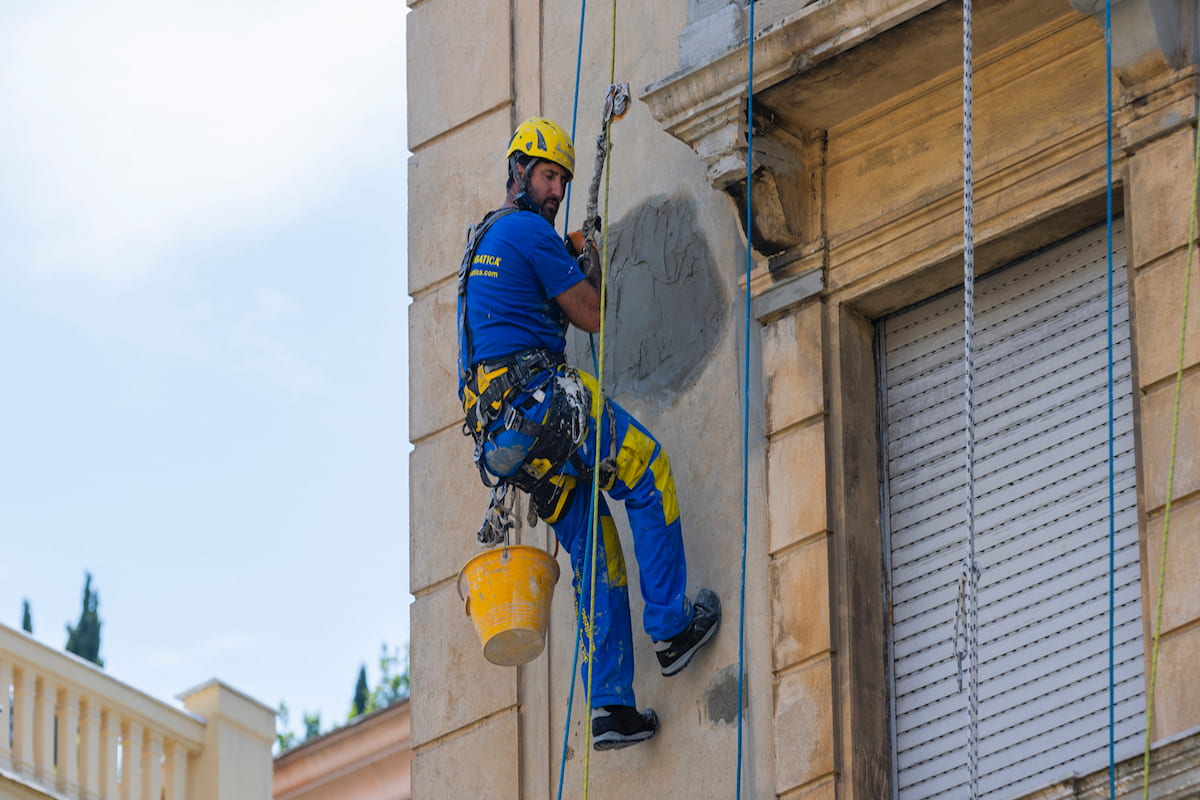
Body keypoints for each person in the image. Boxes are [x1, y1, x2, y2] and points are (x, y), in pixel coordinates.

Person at [456, 117, 721, 750]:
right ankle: (671, 628)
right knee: (647, 470)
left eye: (563, 181)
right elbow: (593, 316)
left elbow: (512, 314)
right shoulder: (527, 230)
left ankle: (609, 706)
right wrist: (592, 267)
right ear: (518, 173)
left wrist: (563, 259)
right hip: (547, 406)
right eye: (548, 175)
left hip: (506, 440)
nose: (555, 191)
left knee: (594, 545)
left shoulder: (483, 242)